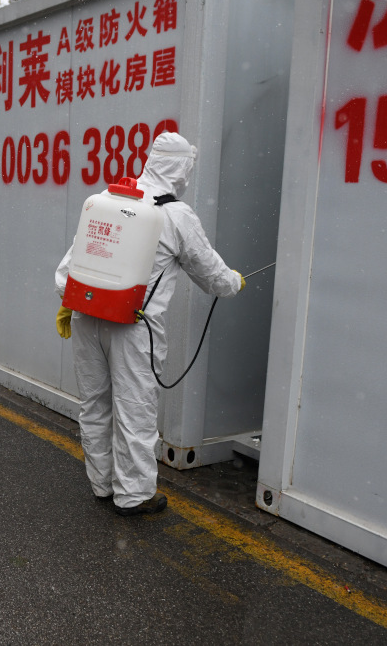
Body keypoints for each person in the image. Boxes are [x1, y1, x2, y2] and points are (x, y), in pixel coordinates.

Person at [54, 132, 245, 517]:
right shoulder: (175, 215)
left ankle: (102, 484)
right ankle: (134, 495)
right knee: (134, 409)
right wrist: (234, 282)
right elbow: (211, 274)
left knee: (95, 404)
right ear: (181, 169)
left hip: (86, 318)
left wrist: (68, 304)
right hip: (131, 328)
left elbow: (67, 269)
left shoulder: (108, 199)